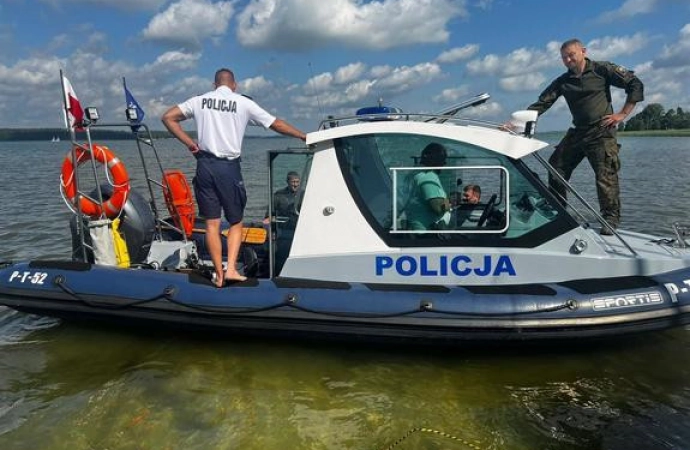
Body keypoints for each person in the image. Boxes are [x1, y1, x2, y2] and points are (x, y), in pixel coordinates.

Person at [161, 68, 306, 287]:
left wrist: (191, 144)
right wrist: (303, 135)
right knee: (236, 222)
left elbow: (168, 117)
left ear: (214, 85)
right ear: (234, 85)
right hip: (228, 168)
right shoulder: (242, 103)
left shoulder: (200, 100)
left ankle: (218, 275)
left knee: (212, 224)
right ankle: (231, 271)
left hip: (204, 165)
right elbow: (276, 124)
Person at [525, 38, 644, 235]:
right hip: (578, 131)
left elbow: (635, 84)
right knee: (556, 167)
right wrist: (517, 122)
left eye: (571, 55)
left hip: (602, 131)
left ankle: (610, 218)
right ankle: (559, 211)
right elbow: (542, 103)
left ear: (583, 51)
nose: (568, 60)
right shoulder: (563, 81)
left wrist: (622, 114)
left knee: (605, 176)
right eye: (564, 58)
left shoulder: (602, 69)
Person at [405, 143, 451, 230]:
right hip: (428, 233)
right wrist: (450, 201)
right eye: (443, 159)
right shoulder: (428, 177)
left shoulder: (419, 174)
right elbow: (437, 208)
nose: (445, 163)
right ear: (436, 160)